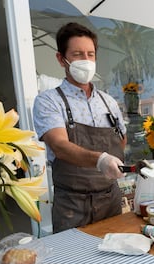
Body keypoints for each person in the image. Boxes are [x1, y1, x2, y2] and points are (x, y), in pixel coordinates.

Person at [33, 22, 127, 233]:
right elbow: (59, 146)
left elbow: (121, 141)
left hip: (110, 200)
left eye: (90, 54)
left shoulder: (109, 103)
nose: (85, 60)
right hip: (72, 206)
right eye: (77, 54)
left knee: (117, 262)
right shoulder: (49, 101)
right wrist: (100, 160)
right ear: (61, 59)